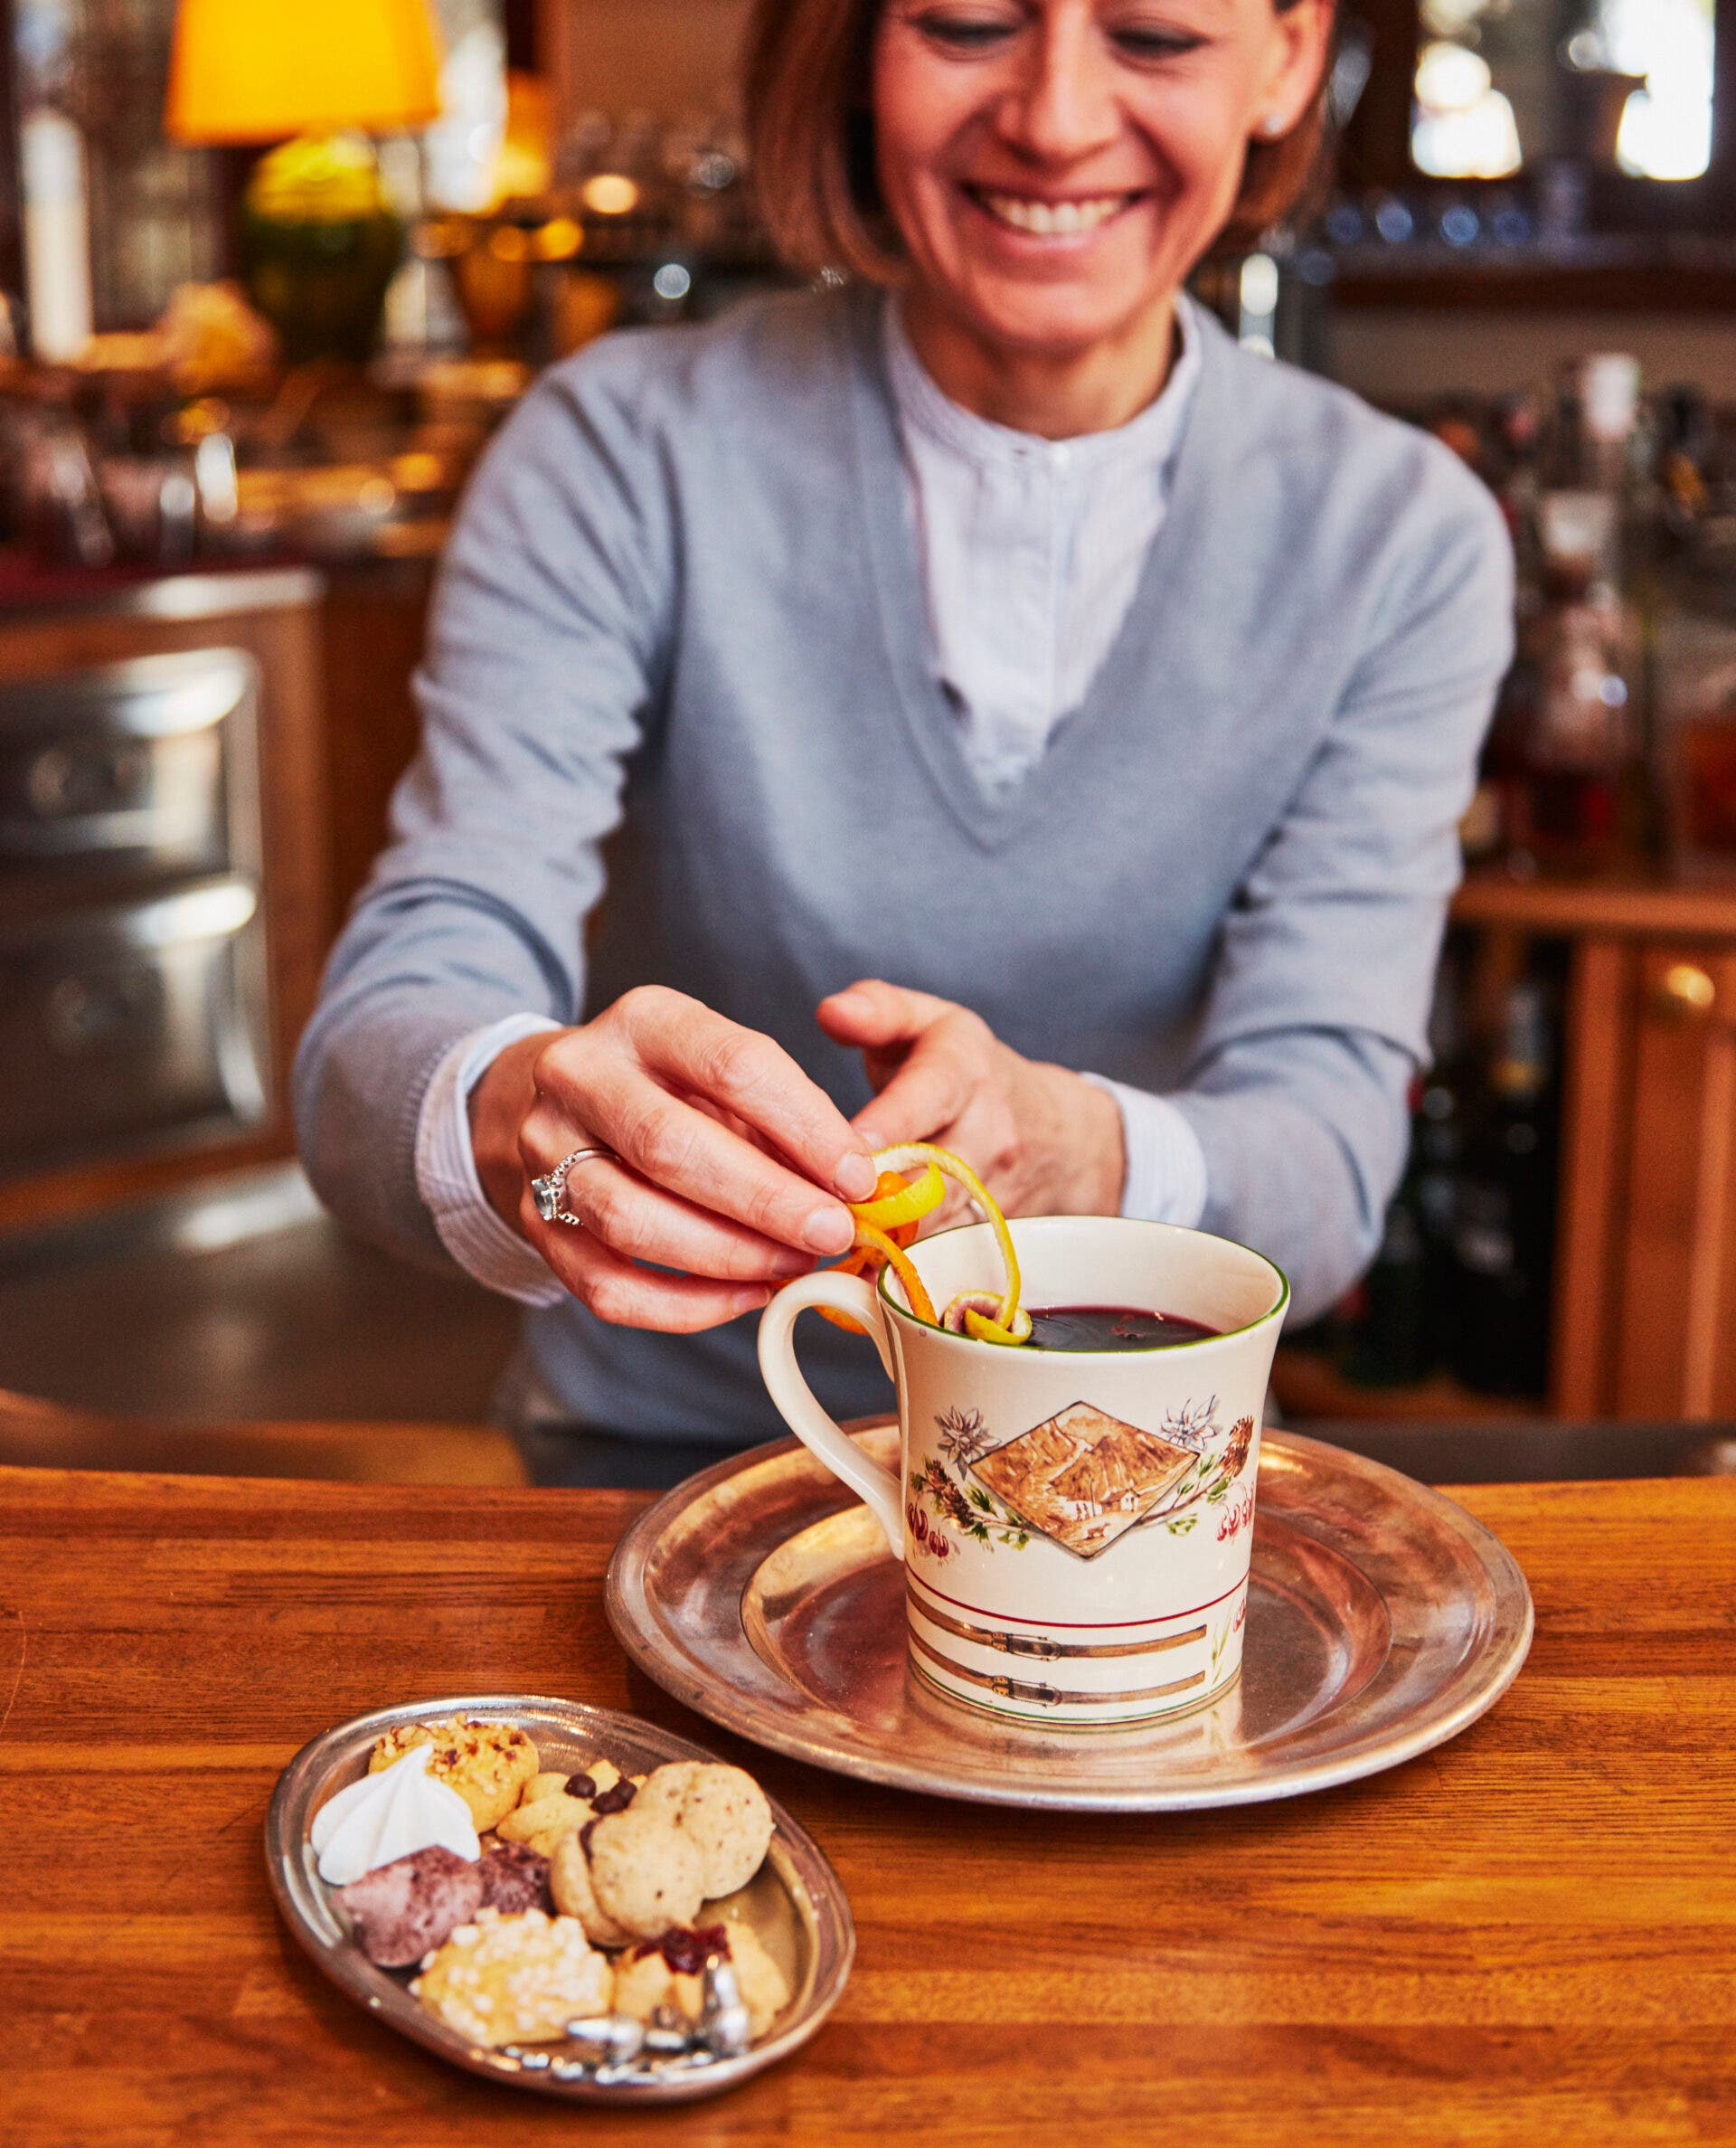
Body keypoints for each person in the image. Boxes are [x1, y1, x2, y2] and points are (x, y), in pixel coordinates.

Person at [295, 0, 1514, 1462]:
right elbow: (380, 1037)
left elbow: (1322, 1165)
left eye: (1156, 38)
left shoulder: (1401, 538)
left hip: (1119, 1500)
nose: (1056, 118)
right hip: (646, 1472)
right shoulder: (619, 451)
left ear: (1290, 57)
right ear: (859, 52)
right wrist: (524, 1131)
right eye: (968, 23)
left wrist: (1079, 1145)